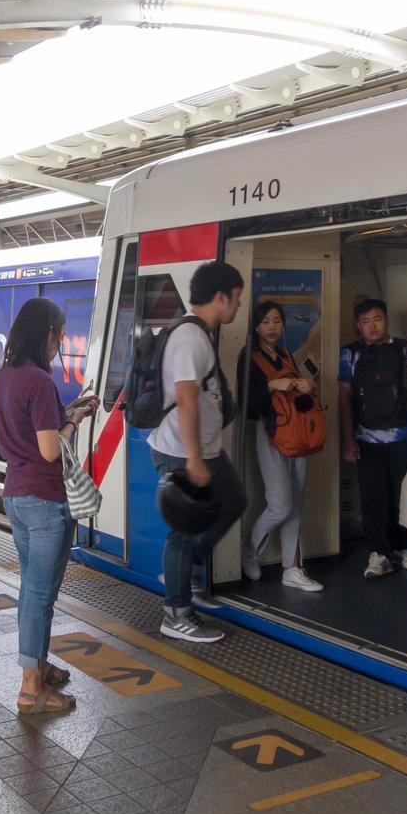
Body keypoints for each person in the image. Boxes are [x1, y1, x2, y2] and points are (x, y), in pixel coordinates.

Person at [0, 297, 99, 715]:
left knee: (35, 591)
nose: (62, 340)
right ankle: (31, 688)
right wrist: (74, 421)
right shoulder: (38, 380)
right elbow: (51, 449)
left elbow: (28, 430)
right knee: (39, 593)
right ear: (47, 333)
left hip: (16, 494)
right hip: (44, 499)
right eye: (61, 331)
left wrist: (66, 411)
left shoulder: (5, 376)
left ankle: (38, 665)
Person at [149, 261, 249, 643]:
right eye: (236, 298)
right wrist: (192, 458)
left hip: (204, 448)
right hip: (181, 450)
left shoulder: (200, 334)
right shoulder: (190, 338)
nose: (238, 307)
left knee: (234, 501)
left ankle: (186, 571)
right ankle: (175, 612)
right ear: (220, 297)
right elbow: (187, 402)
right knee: (184, 530)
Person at [237, 301, 322, 591]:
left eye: (276, 321)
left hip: (297, 433)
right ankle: (250, 548)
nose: (272, 327)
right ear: (256, 326)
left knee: (296, 503)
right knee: (281, 504)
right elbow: (246, 402)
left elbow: (300, 398)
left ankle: (292, 567)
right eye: (265, 322)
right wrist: (274, 386)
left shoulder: (286, 354)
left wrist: (307, 385)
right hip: (269, 432)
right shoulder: (248, 357)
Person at [338, 299, 407, 579]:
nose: (372, 326)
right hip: (366, 439)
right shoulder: (349, 354)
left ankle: (402, 547)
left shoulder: (406, 349)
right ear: (358, 325)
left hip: (404, 437)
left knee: (401, 495)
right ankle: (378, 552)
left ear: (387, 320)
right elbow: (344, 398)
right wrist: (348, 440)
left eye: (377, 318)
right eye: (366, 321)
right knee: (373, 496)